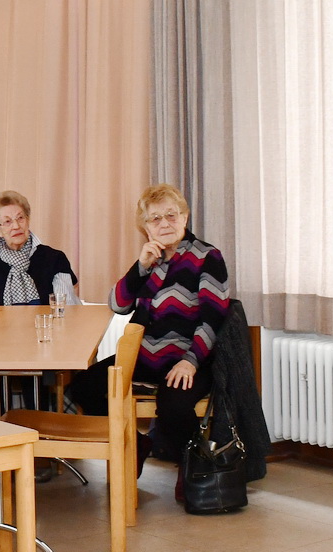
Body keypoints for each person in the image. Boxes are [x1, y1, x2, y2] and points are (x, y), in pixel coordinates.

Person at [66, 186, 227, 461]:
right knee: (83, 386)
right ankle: (134, 446)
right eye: (155, 219)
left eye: (171, 215)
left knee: (173, 406)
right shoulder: (151, 259)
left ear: (185, 218)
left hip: (188, 358)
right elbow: (118, 304)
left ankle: (195, 469)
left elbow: (213, 318)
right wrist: (140, 266)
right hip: (144, 357)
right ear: (146, 228)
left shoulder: (206, 257)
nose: (165, 223)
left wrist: (190, 361)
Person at [0, 190, 78, 306]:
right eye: (7, 221)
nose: (16, 226)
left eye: (20, 218)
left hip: (46, 324)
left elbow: (67, 310)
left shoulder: (55, 259)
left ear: (28, 220)